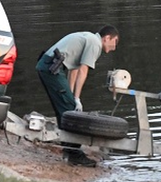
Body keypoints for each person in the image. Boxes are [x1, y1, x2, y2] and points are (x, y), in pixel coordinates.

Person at [36, 25, 120, 166]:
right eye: (115, 42)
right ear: (107, 38)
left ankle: (68, 149)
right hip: (51, 68)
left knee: (66, 108)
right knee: (70, 111)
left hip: (49, 66)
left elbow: (73, 70)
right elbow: (83, 71)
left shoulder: (88, 37)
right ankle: (74, 154)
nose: (114, 47)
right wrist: (76, 99)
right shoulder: (95, 43)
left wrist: (70, 94)